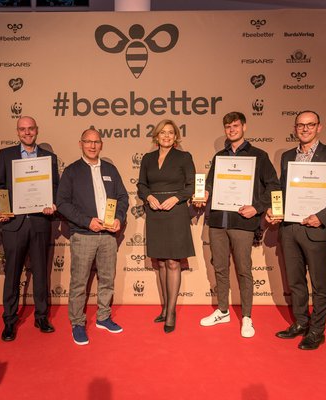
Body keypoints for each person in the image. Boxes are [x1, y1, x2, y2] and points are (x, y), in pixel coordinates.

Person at [196, 111, 280, 338]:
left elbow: (273, 186)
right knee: (220, 268)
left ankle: (247, 317)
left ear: (244, 127)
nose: (231, 130)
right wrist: (204, 193)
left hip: (243, 222)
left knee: (244, 270)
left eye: (235, 125)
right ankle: (223, 310)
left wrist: (257, 207)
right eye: (228, 127)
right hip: (218, 221)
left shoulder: (259, 156)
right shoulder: (219, 157)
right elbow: (210, 185)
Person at [266, 110, 326, 350]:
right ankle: (302, 322)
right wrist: (274, 209)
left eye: (310, 125)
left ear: (319, 127)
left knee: (319, 284)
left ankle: (316, 331)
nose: (305, 129)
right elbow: (282, 190)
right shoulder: (287, 156)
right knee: (295, 281)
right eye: (300, 125)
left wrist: (323, 217)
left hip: (317, 228)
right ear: (295, 128)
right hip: (290, 228)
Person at [56, 128, 128, 346]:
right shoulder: (71, 171)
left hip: (108, 236)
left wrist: (119, 218)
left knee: (107, 279)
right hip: (84, 234)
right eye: (88, 141)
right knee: (79, 282)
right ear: (81, 144)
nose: (92, 146)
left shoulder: (110, 170)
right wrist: (87, 221)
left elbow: (123, 197)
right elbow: (62, 203)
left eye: (96, 142)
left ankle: (103, 317)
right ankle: (77, 323)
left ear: (101, 144)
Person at [0, 116, 59, 341]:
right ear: (17, 132)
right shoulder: (6, 154)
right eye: (23, 129)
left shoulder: (49, 157)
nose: (27, 132)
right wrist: (3, 208)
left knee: (41, 273)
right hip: (14, 223)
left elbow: (55, 186)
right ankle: (9, 320)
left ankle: (42, 317)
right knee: (12, 274)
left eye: (30, 129)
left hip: (39, 222)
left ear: (37, 130)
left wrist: (52, 203)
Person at [137, 119, 196, 333]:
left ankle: (171, 312)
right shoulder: (148, 158)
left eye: (171, 132)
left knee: (172, 262)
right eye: (163, 132)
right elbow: (141, 185)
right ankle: (164, 308)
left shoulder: (184, 157)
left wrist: (177, 198)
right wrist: (149, 197)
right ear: (157, 135)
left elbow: (191, 186)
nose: (167, 136)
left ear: (176, 136)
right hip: (155, 213)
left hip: (175, 212)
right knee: (161, 263)